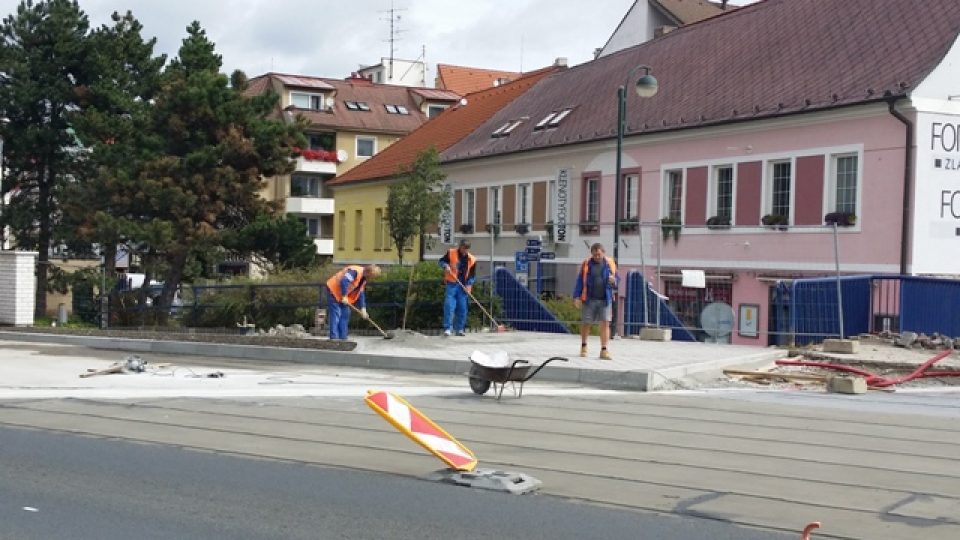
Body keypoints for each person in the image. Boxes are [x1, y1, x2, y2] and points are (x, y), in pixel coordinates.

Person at [572, 243, 619, 360]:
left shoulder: (610, 263)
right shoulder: (587, 264)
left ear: (603, 253)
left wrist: (614, 281)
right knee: (586, 323)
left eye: (599, 254)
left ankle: (604, 350)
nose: (597, 256)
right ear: (591, 254)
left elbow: (617, 278)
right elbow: (580, 281)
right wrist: (576, 296)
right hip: (589, 299)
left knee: (605, 323)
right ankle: (584, 345)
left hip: (605, 299)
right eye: (595, 255)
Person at [325, 264, 381, 340]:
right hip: (334, 290)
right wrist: (344, 296)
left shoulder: (363, 279)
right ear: (369, 273)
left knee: (345, 314)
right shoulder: (355, 271)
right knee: (336, 314)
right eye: (372, 276)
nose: (372, 279)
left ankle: (343, 338)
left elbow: (360, 293)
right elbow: (344, 281)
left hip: (343, 296)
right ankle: (334, 338)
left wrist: (363, 309)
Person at [439, 239, 476, 337]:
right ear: (460, 247)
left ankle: (460, 329)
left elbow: (472, 275)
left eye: (467, 249)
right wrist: (445, 265)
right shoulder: (451, 253)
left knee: (462, 308)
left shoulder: (472, 259)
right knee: (449, 306)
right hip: (452, 284)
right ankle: (447, 329)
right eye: (464, 248)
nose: (465, 251)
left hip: (462, 286)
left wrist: (469, 285)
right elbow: (441, 261)